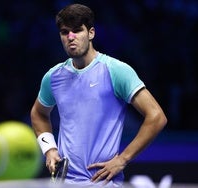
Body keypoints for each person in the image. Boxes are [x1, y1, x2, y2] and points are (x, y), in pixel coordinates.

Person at [30, 3, 167, 187]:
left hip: (103, 183)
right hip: (64, 183)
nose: (71, 37)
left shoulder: (116, 71)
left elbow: (156, 117)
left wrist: (123, 159)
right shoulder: (53, 77)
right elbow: (38, 114)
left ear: (91, 33)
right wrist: (49, 149)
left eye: (77, 30)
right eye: (65, 32)